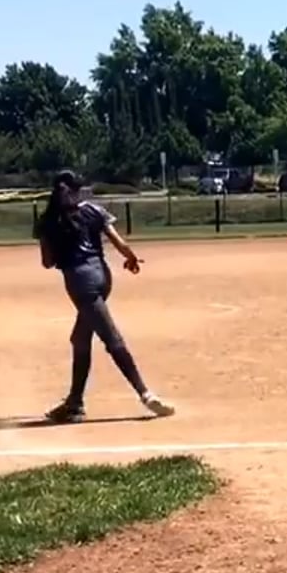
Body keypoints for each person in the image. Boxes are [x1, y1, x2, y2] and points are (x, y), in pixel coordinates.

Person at [33, 171, 176, 423]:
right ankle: (74, 403)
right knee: (79, 339)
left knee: (111, 338)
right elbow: (120, 243)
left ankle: (145, 394)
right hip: (103, 278)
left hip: (81, 285)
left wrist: (56, 241)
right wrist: (131, 258)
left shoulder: (48, 220)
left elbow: (47, 262)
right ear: (77, 190)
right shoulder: (93, 210)